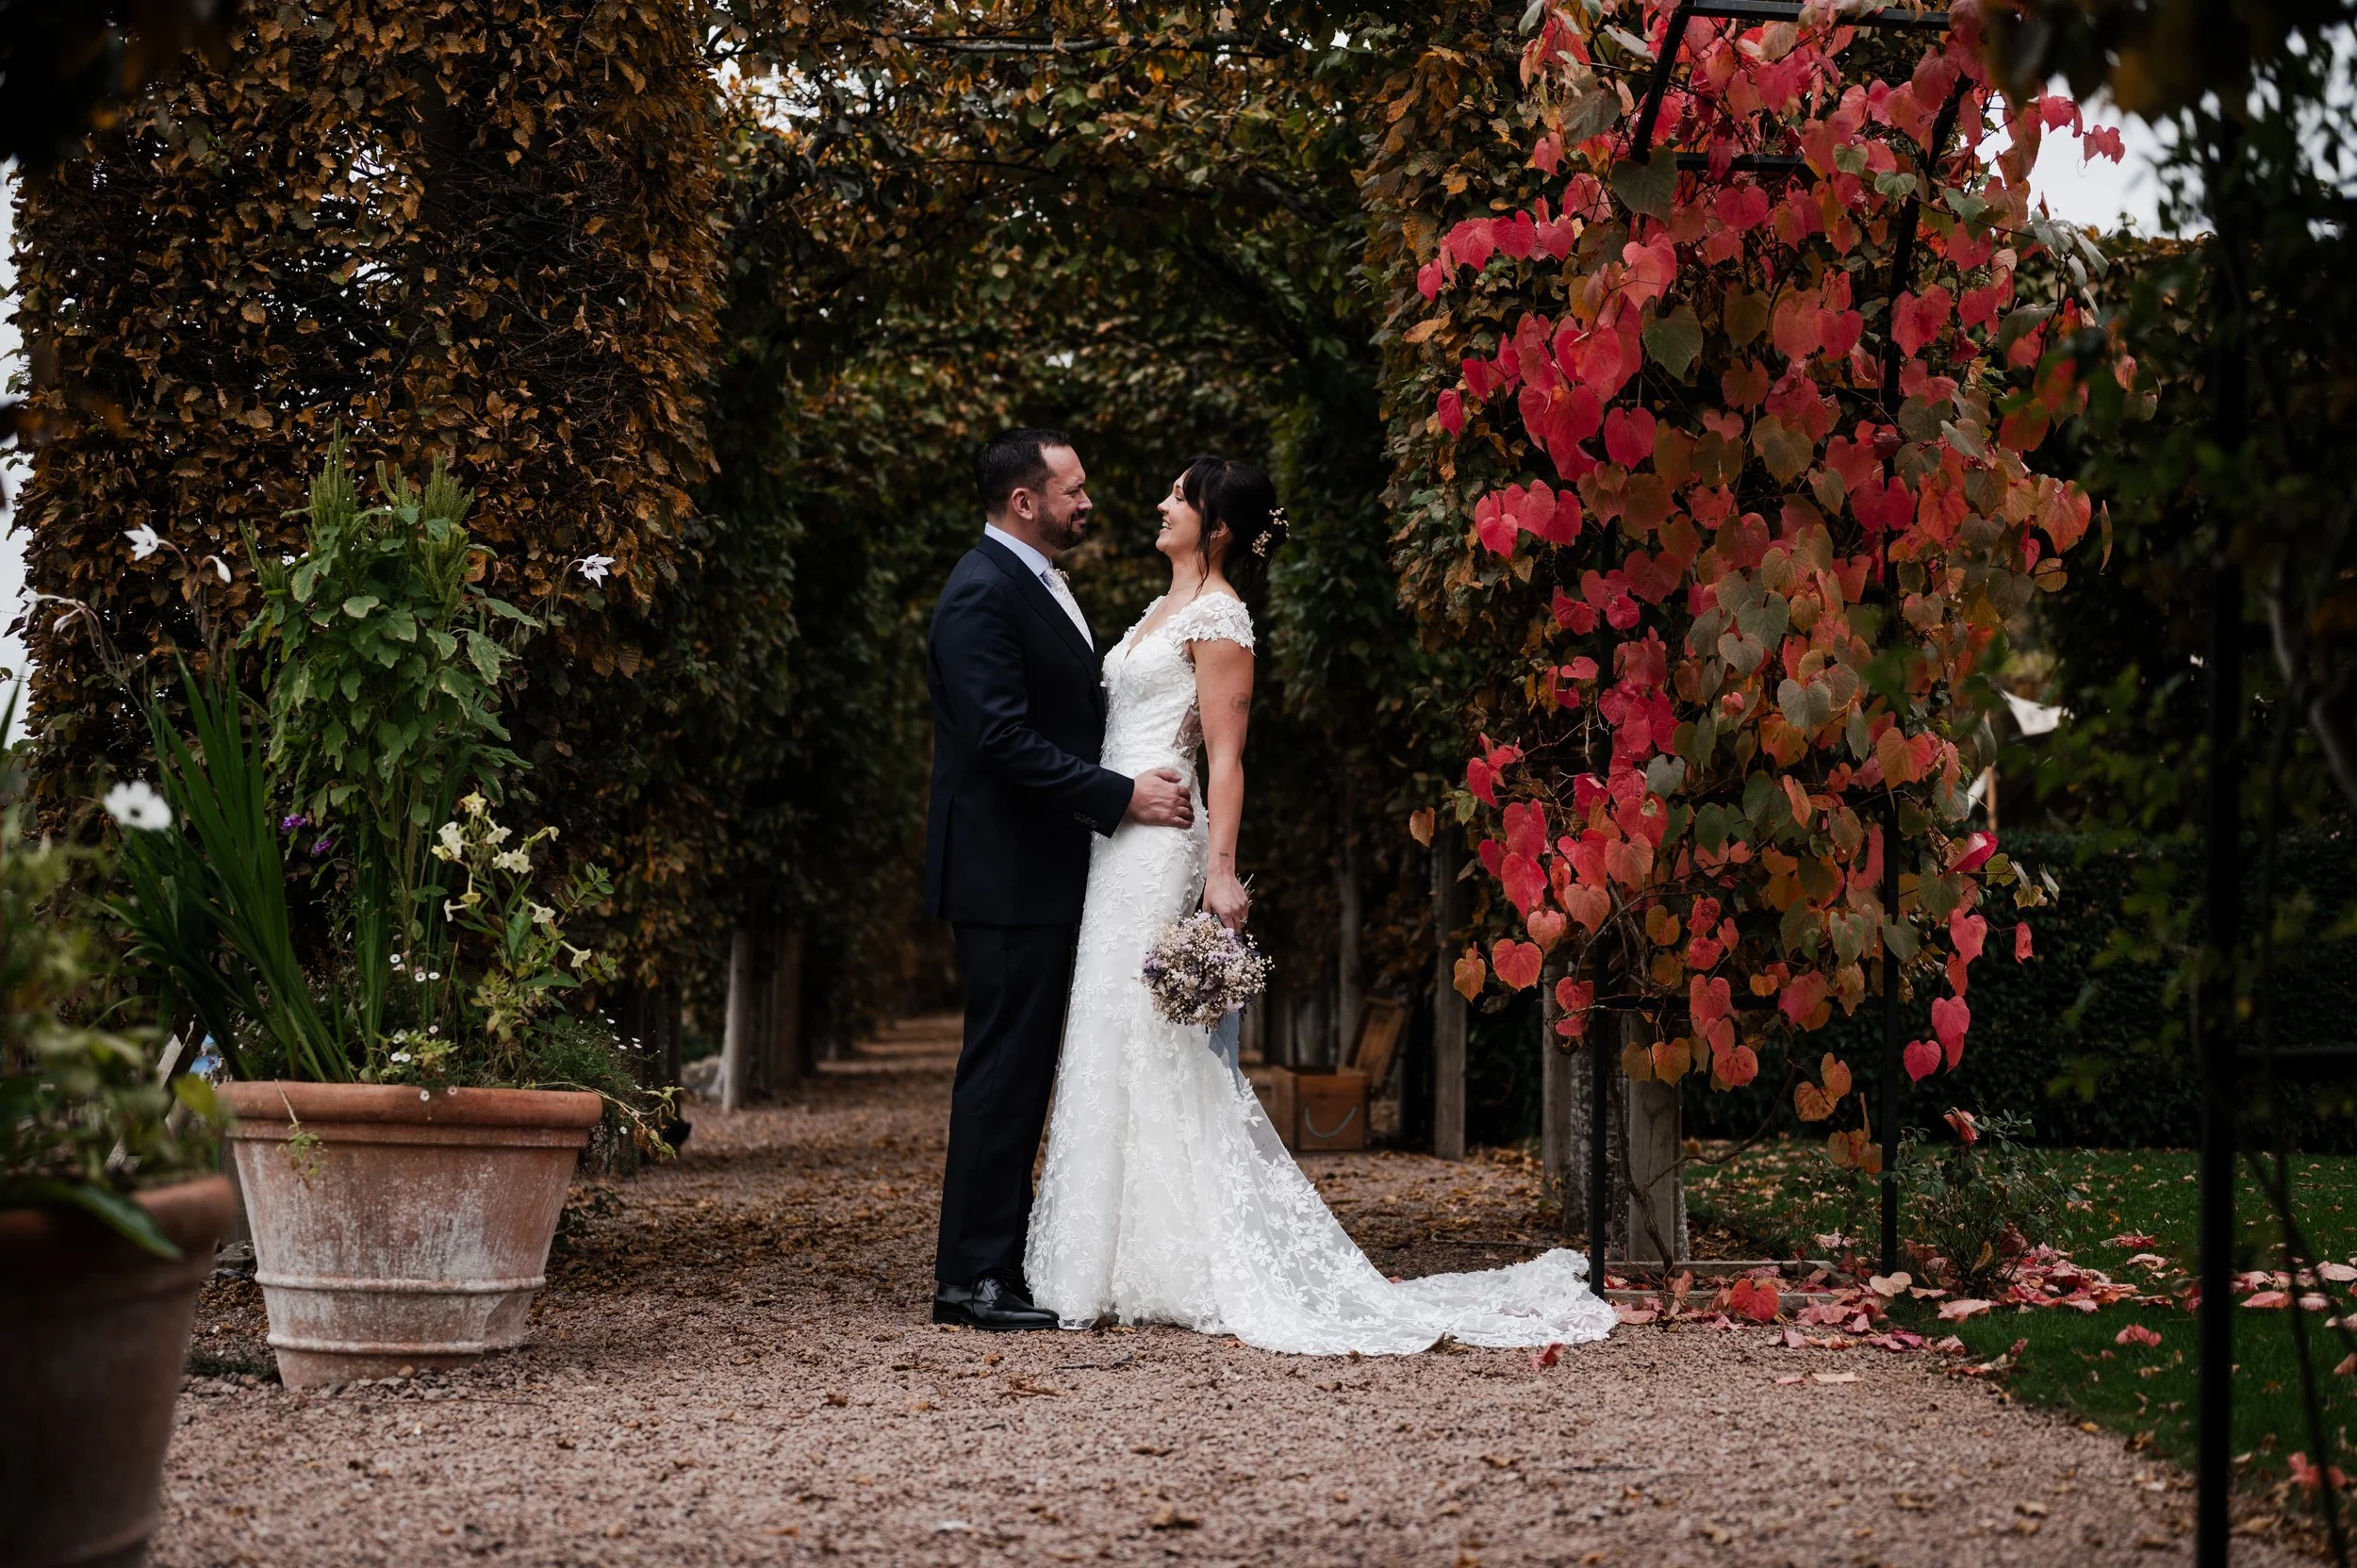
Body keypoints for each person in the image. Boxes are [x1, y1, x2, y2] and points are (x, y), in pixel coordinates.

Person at [1022, 456, 1617, 1355]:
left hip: (1163, 839)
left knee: (1148, 1027)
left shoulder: (1222, 618)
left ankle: (1173, 1255)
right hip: (1116, 837)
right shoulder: (1156, 612)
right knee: (1108, 1019)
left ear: (1216, 523)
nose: (1160, 502)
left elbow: (1225, 756)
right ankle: (1100, 1254)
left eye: (1179, 495)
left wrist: (1221, 870)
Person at [923, 428, 1194, 1330]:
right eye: (1072, 490)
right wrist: (1116, 797)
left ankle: (999, 1263)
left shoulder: (1033, 579)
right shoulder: (979, 592)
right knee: (1002, 1070)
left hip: (1042, 867)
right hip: (1004, 873)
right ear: (1025, 502)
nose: (1089, 502)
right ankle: (970, 1280)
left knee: (1024, 1066)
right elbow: (998, 739)